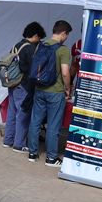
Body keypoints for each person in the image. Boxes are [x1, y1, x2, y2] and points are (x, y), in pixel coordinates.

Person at [23, 19, 75, 164]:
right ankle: (51, 158)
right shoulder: (63, 49)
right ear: (63, 33)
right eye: (67, 35)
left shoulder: (40, 45)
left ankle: (32, 153)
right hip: (56, 92)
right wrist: (68, 88)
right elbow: (65, 73)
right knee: (53, 125)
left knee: (35, 121)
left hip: (39, 89)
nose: (67, 37)